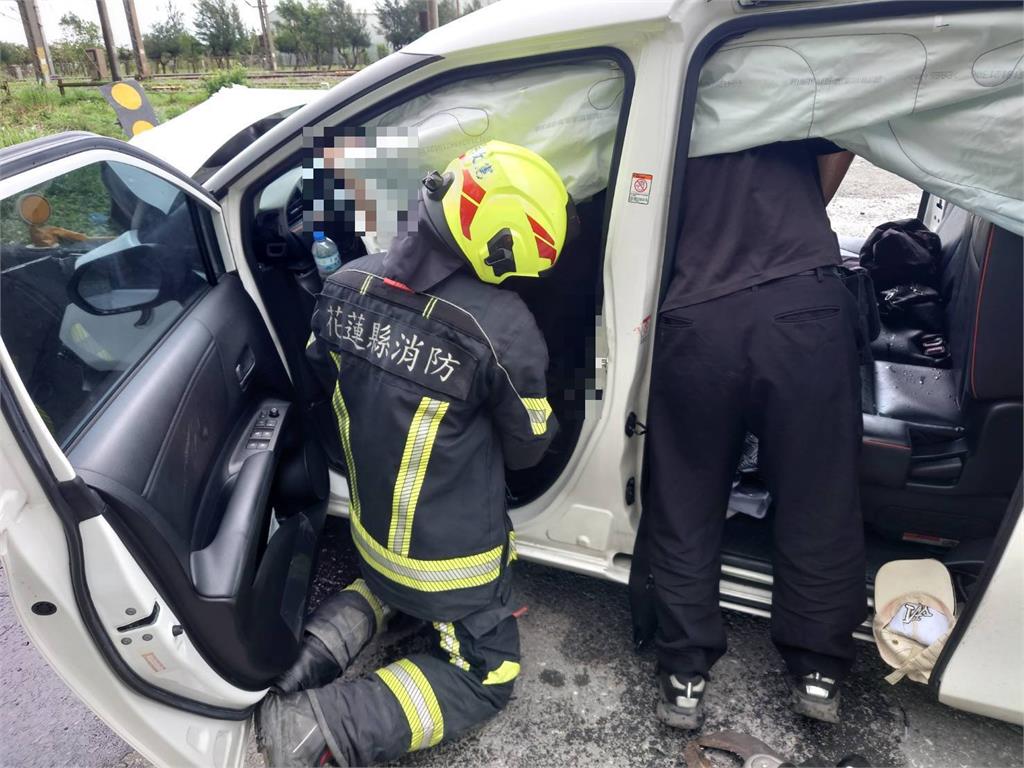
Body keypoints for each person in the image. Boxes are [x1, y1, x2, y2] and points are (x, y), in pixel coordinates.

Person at [258, 140, 571, 766]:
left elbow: (325, 377)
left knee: (386, 588)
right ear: (500, 247)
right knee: (487, 675)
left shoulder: (345, 284)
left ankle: (307, 658)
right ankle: (323, 725)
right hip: (450, 566)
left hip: (372, 535)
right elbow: (531, 448)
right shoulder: (503, 329)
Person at [642, 139, 863, 727]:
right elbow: (841, 145)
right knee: (820, 494)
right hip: (803, 298)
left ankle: (684, 672)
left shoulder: (685, 72)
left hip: (698, 309)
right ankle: (817, 671)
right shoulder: (784, 63)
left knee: (686, 496)